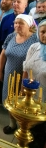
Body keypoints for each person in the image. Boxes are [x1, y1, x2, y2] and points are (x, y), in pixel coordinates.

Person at [0, 14, 38, 134]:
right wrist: (0, 71)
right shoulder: (11, 36)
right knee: (10, 98)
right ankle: (12, 123)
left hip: (27, 77)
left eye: (21, 23)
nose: (17, 25)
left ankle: (24, 127)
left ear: (29, 25)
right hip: (9, 73)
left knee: (23, 101)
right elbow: (3, 54)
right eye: (16, 23)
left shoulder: (35, 39)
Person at [23, 20, 46, 148]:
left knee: (40, 134)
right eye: (42, 32)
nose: (45, 35)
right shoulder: (33, 47)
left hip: (44, 101)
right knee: (28, 132)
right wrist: (22, 90)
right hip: (30, 97)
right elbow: (26, 69)